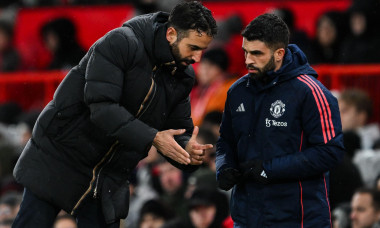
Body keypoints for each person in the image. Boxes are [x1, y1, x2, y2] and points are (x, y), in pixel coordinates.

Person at [12, 1, 217, 228]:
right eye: (193, 48)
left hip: (109, 174)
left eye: (202, 50)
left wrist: (187, 150)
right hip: (61, 156)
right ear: (171, 34)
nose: (197, 59)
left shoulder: (183, 75)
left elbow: (178, 130)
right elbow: (101, 108)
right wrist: (153, 138)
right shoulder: (121, 42)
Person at [216, 13, 344, 227]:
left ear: (279, 54)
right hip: (247, 218)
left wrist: (270, 169)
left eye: (257, 53)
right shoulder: (237, 91)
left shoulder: (310, 92)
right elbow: (225, 141)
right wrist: (224, 167)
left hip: (298, 219)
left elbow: (331, 151)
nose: (248, 60)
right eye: (246, 52)